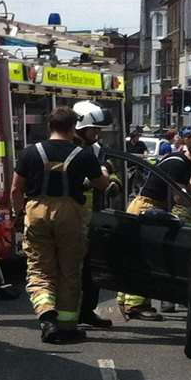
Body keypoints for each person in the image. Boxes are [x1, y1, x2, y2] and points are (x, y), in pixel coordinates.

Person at [10, 106, 113, 344]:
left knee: (39, 268)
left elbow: (16, 189)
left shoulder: (29, 152)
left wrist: (19, 213)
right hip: (70, 213)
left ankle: (46, 315)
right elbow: (101, 184)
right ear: (72, 129)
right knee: (69, 271)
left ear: (50, 126)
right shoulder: (84, 154)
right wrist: (106, 172)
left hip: (36, 210)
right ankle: (67, 327)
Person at [72, 101, 119, 329]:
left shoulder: (98, 150)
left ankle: (87, 311)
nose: (97, 134)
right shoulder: (67, 149)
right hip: (70, 218)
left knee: (93, 269)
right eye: (94, 129)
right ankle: (66, 315)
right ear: (79, 127)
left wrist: (113, 183)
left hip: (94, 218)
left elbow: (110, 173)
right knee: (70, 270)